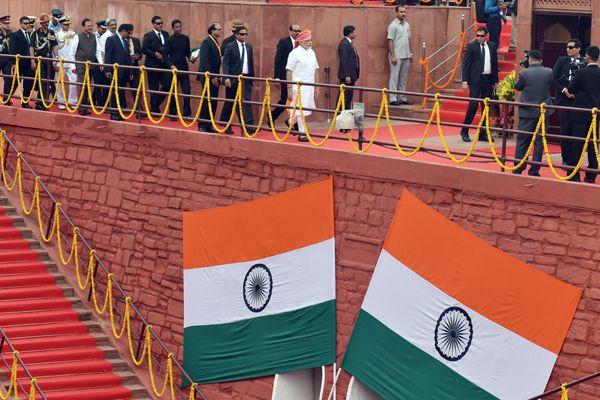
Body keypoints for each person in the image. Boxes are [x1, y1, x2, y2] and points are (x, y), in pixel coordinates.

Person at [512, 50, 553, 177]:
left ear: (530, 60)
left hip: (527, 112)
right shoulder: (549, 72)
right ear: (541, 60)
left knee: (523, 140)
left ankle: (518, 167)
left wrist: (523, 70)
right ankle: (534, 170)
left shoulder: (524, 73)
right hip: (542, 112)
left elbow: (517, 87)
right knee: (539, 142)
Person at [565, 46, 600, 183]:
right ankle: (591, 175)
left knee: (577, 144)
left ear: (587, 57)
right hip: (595, 113)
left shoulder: (581, 73)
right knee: (593, 144)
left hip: (580, 113)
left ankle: (574, 175)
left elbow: (572, 89)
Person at [459, 26, 499, 142]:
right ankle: (464, 130)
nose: (479, 38)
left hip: (488, 80)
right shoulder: (472, 46)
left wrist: (496, 80)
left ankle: (482, 133)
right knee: (473, 105)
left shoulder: (492, 46)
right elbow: (465, 64)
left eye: (482, 36)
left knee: (486, 106)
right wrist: (464, 81)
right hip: (475, 80)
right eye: (477, 36)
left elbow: (494, 64)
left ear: (486, 36)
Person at [286, 30, 319, 143]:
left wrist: (317, 86)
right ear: (300, 42)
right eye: (307, 41)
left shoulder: (312, 52)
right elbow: (289, 71)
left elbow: (316, 69)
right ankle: (302, 133)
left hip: (310, 85)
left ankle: (290, 121)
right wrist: (289, 87)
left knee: (306, 109)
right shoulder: (294, 53)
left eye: (310, 40)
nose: (309, 43)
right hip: (298, 86)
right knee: (301, 110)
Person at [220, 25, 254, 135]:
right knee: (230, 103)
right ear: (236, 35)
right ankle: (225, 125)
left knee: (246, 103)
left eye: (246, 34)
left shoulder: (249, 46)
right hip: (233, 79)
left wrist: (251, 78)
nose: (244, 36)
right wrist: (226, 77)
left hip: (246, 79)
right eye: (242, 34)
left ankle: (248, 127)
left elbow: (250, 63)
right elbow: (225, 63)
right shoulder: (230, 46)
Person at [553, 39, 582, 165]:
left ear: (578, 49)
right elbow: (554, 78)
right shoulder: (561, 61)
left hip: (578, 102)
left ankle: (575, 161)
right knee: (565, 131)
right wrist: (564, 90)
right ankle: (566, 159)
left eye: (571, 47)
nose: (568, 50)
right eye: (567, 47)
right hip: (564, 100)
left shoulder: (584, 62)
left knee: (577, 132)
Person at [104, 24, 134, 121]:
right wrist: (107, 69)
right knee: (114, 92)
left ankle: (119, 112)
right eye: (128, 33)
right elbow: (108, 55)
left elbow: (128, 57)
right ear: (123, 31)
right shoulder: (111, 39)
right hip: (115, 71)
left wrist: (130, 71)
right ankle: (114, 113)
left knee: (121, 92)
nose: (129, 35)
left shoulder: (126, 41)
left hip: (124, 72)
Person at [197, 22, 223, 133]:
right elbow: (205, 61)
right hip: (208, 76)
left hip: (214, 76)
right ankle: (202, 124)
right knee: (207, 100)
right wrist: (212, 76)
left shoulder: (215, 42)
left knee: (213, 100)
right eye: (219, 29)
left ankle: (209, 123)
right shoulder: (207, 42)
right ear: (212, 31)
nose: (221, 31)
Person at [272, 24, 301, 122]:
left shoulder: (301, 43)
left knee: (297, 99)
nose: (297, 33)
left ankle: (291, 120)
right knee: (285, 98)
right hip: (285, 75)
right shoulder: (284, 42)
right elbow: (278, 60)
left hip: (297, 76)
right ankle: (274, 115)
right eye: (295, 31)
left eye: (299, 31)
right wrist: (276, 77)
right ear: (290, 31)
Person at [69, 18, 98, 116]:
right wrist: (72, 66)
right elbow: (72, 52)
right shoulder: (77, 37)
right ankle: (81, 108)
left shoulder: (94, 37)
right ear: (83, 27)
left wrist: (101, 63)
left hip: (91, 66)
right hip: (80, 66)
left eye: (91, 25)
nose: (90, 27)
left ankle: (85, 107)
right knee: (82, 86)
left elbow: (97, 51)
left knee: (87, 87)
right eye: (88, 26)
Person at [164, 19, 192, 120]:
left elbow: (187, 53)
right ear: (173, 28)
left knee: (187, 90)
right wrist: (171, 65)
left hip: (184, 68)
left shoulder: (185, 38)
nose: (179, 29)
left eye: (180, 26)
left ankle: (187, 113)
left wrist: (191, 57)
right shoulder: (169, 40)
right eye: (177, 27)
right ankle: (172, 113)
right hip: (174, 69)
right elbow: (164, 55)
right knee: (173, 91)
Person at [142, 16, 171, 115]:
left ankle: (155, 105)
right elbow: (144, 49)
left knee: (167, 86)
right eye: (158, 23)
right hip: (153, 66)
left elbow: (168, 47)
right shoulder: (148, 35)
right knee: (153, 88)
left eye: (161, 23)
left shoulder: (166, 34)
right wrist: (154, 54)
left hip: (164, 66)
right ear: (153, 24)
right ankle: (153, 109)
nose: (160, 25)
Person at [30, 14, 57, 110]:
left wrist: (56, 58)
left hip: (49, 61)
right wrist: (32, 61)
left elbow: (54, 46)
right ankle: (40, 103)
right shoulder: (36, 33)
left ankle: (43, 102)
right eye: (44, 22)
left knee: (49, 82)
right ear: (41, 24)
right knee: (43, 82)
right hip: (39, 61)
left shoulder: (52, 32)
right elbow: (32, 47)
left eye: (47, 22)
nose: (46, 24)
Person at [387, 5, 412, 106]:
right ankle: (392, 98)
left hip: (406, 55)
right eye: (401, 12)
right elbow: (390, 41)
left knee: (403, 78)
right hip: (396, 56)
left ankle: (402, 97)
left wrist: (410, 53)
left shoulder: (406, 25)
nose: (403, 14)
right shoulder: (393, 25)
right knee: (394, 77)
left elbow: (408, 40)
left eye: (404, 12)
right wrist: (393, 55)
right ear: (396, 13)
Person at [10, 16, 35, 108]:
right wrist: (13, 63)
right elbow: (12, 50)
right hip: (19, 62)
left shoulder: (31, 34)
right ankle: (7, 98)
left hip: (29, 63)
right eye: (25, 23)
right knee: (16, 82)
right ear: (20, 24)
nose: (27, 25)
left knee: (28, 83)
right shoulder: (15, 35)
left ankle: (25, 102)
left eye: (29, 23)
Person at [54, 16, 77, 110]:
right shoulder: (57, 34)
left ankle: (72, 101)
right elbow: (54, 49)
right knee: (60, 83)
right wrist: (54, 63)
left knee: (74, 82)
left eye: (68, 24)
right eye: (65, 24)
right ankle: (61, 101)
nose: (67, 26)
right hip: (61, 61)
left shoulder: (73, 33)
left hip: (71, 62)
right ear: (61, 24)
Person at [337, 25, 360, 110]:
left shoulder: (349, 43)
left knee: (349, 96)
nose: (356, 34)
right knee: (344, 96)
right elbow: (344, 61)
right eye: (354, 32)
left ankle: (346, 112)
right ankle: (340, 113)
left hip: (352, 74)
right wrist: (347, 75)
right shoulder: (344, 44)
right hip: (347, 76)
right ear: (350, 33)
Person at [97, 19, 117, 106]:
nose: (114, 26)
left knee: (112, 87)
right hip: (108, 65)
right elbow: (101, 52)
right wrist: (104, 65)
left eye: (115, 24)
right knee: (106, 87)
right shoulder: (105, 37)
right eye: (112, 25)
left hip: (114, 65)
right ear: (108, 26)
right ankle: (103, 105)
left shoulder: (116, 35)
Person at [0, 15, 13, 105]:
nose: (7, 25)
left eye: (8, 23)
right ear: (0, 24)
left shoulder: (11, 33)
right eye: (5, 23)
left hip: (7, 59)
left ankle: (6, 99)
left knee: (8, 79)